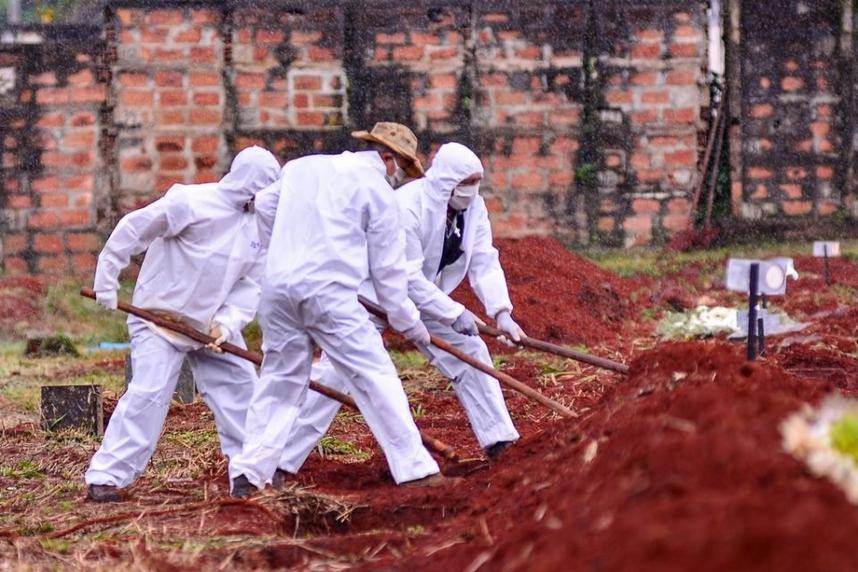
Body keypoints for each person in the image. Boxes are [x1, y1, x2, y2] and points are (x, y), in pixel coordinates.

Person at [274, 142, 523, 482]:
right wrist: (453, 312)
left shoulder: (474, 209)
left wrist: (501, 311)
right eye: (466, 183)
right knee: (339, 375)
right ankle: (279, 462)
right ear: (446, 181)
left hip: (427, 298)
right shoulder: (407, 206)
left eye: (477, 182)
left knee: (471, 351)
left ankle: (499, 440)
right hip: (374, 296)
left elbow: (483, 258)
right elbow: (405, 275)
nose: (471, 191)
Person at [229, 123, 448, 497]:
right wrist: (411, 324)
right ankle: (416, 470)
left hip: (277, 289)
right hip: (330, 293)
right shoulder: (377, 191)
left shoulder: (301, 167)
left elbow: (265, 204)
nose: (398, 178)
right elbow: (389, 275)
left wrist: (279, 251)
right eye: (400, 169)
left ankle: (250, 472)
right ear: (388, 158)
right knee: (374, 375)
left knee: (279, 380)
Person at [85, 146, 280, 502]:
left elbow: (250, 285)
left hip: (210, 329)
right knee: (148, 393)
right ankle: (106, 477)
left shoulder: (259, 228)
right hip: (158, 320)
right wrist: (107, 280)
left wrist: (226, 323)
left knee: (243, 393)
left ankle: (250, 474)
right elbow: (134, 229)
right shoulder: (190, 202)